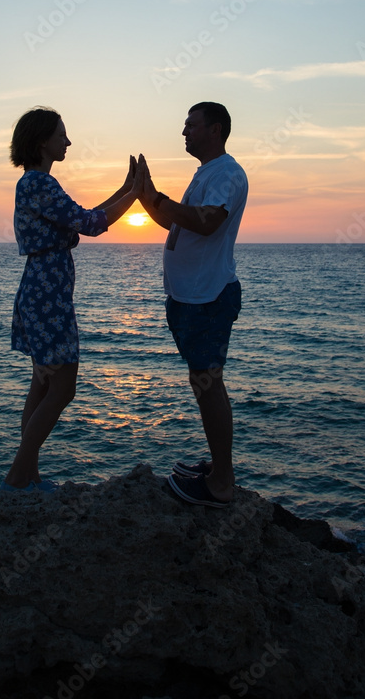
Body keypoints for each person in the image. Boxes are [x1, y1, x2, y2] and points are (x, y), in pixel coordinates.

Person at [1, 106, 144, 492]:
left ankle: (26, 475)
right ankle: (18, 475)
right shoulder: (38, 185)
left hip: (43, 291)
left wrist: (126, 188)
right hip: (47, 295)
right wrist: (134, 193)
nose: (67, 141)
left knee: (43, 385)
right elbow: (93, 224)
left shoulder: (38, 183)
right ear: (42, 141)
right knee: (62, 388)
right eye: (61, 134)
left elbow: (85, 215)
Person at [138, 102, 248, 507]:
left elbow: (204, 221)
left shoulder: (228, 174)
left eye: (191, 125)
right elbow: (175, 221)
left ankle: (221, 482)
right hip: (191, 295)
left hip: (208, 296)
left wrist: (157, 196)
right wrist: (144, 194)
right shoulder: (207, 173)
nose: (184, 132)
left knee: (208, 383)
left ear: (215, 129)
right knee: (202, 383)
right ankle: (219, 468)